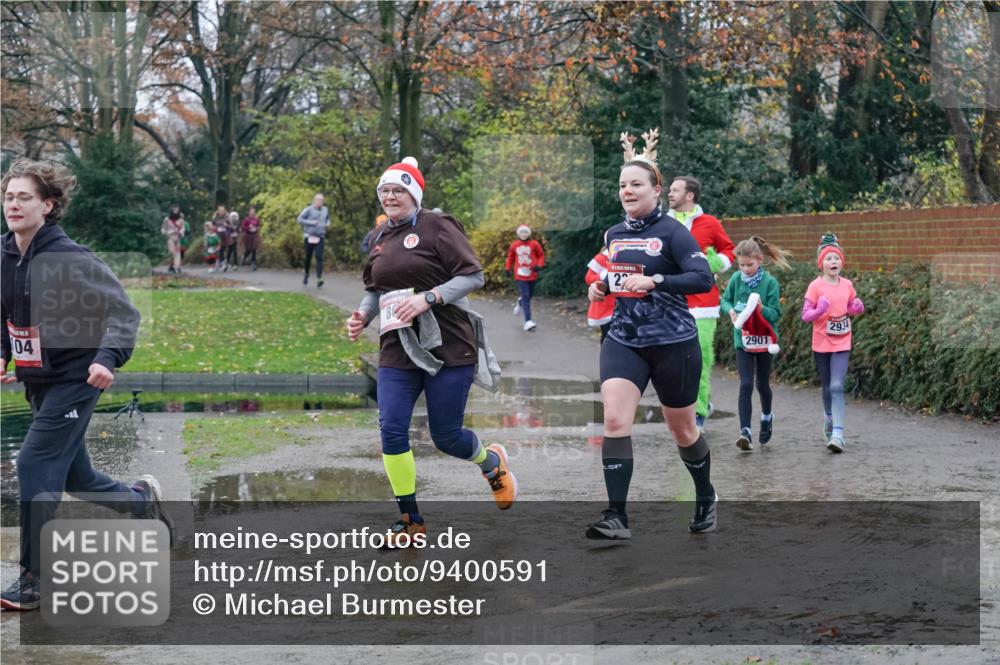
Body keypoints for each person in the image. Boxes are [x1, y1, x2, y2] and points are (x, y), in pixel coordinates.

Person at [0, 158, 172, 611]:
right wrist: (5, 351)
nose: (13, 204)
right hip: (38, 380)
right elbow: (5, 313)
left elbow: (123, 313)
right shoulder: (3, 255)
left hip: (78, 378)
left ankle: (35, 577)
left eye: (24, 197)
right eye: (9, 196)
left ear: (48, 205)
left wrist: (106, 358)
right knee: (78, 477)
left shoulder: (69, 258)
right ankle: (140, 503)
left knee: (35, 462)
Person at [345, 157, 510, 548]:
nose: (390, 196)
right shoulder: (380, 234)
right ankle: (410, 522)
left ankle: (491, 463)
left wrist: (429, 298)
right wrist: (362, 315)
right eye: (384, 190)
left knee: (446, 436)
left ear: (414, 194)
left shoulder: (438, 226)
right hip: (397, 346)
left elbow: (474, 275)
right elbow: (375, 287)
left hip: (449, 345)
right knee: (391, 428)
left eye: (398, 190)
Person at [585, 130, 717, 540]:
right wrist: (600, 287)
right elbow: (611, 274)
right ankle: (616, 516)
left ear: (656, 190)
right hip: (624, 338)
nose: (627, 190)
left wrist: (656, 281)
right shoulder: (613, 234)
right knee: (613, 419)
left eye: (636, 184)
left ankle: (705, 495)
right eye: (623, 185)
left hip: (674, 343)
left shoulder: (675, 232)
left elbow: (702, 278)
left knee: (682, 429)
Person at [667, 176, 734, 433]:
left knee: (701, 357)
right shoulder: (663, 224)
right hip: (670, 303)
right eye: (670, 189)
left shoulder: (710, 223)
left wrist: (715, 263)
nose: (670, 194)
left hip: (704, 304)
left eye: (675, 190)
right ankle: (690, 404)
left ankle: (699, 412)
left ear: (690, 195)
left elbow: (729, 251)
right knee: (674, 361)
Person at [719, 236, 791, 451]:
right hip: (743, 341)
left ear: (759, 259)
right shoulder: (735, 280)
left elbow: (776, 314)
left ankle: (767, 415)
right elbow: (725, 299)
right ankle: (745, 432)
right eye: (741, 265)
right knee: (746, 384)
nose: (745, 269)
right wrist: (730, 310)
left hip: (765, 341)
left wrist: (761, 308)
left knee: (762, 384)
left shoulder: (769, 283)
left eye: (749, 264)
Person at [801, 232, 865, 453]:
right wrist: (819, 310)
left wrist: (855, 308)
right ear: (821, 263)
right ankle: (828, 416)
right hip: (821, 343)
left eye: (836, 258)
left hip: (842, 342)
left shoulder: (847, 284)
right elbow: (805, 315)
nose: (833, 262)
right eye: (828, 258)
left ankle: (838, 434)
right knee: (828, 386)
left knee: (837, 386)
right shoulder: (815, 286)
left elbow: (850, 306)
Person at [504, 224, 545, 331]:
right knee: (526, 296)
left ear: (529, 233)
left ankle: (520, 302)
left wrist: (539, 265)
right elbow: (510, 257)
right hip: (520, 274)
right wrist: (507, 268)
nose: (523, 234)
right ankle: (528, 322)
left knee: (528, 295)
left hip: (532, 273)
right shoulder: (515, 245)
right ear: (518, 234)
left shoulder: (534, 244)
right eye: (521, 232)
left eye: (525, 232)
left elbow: (541, 255)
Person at [297, 193, 330, 287]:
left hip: (320, 236)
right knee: (308, 257)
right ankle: (306, 274)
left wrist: (328, 224)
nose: (320, 202)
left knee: (319, 257)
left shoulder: (325, 209)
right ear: (314, 200)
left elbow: (327, 219)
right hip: (309, 236)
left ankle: (319, 278)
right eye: (318, 200)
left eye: (322, 200)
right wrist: (311, 222)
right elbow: (299, 219)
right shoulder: (308, 209)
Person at [584, 246, 616, 341]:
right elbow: (588, 278)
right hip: (606, 305)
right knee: (608, 337)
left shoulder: (630, 255)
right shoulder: (602, 257)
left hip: (625, 304)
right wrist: (603, 275)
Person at [160, 204, 185, 273]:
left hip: (178, 238)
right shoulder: (167, 219)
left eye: (177, 209)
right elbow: (163, 229)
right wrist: (166, 232)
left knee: (177, 252)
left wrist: (181, 232)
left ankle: (176, 266)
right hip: (170, 238)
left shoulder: (181, 220)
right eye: (174, 209)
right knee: (172, 252)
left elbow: (183, 228)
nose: (175, 210)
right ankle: (172, 266)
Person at [211, 205, 230, 272]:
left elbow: (231, 226)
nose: (221, 211)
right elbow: (212, 225)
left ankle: (221, 262)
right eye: (220, 210)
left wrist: (226, 225)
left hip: (224, 235)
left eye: (223, 210)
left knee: (222, 249)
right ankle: (221, 263)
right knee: (219, 250)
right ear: (218, 211)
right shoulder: (215, 217)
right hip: (217, 235)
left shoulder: (227, 217)